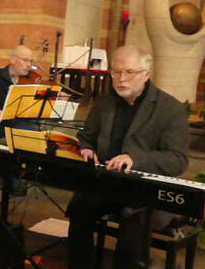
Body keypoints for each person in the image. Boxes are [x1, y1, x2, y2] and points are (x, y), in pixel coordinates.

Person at [66, 45, 189, 269]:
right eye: (116, 71)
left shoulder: (170, 109)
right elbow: (86, 136)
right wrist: (85, 148)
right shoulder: (105, 101)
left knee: (131, 228)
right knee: (79, 209)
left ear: (146, 75)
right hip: (106, 183)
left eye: (129, 72)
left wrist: (135, 159)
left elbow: (178, 159)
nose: (121, 78)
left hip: (144, 191)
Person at [0, 45, 43, 198]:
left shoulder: (32, 79)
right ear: (13, 60)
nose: (28, 65)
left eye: (30, 61)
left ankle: (17, 177)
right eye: (25, 60)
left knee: (28, 132)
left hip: (21, 122)